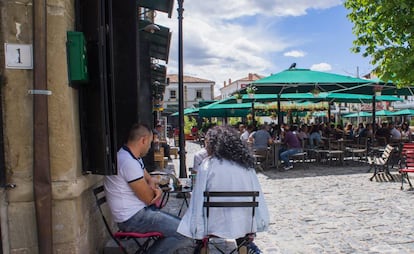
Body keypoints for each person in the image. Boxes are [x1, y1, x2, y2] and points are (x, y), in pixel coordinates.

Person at [177, 126, 269, 254]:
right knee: (240, 219)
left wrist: (196, 227)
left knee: (204, 216)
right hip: (243, 224)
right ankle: (244, 247)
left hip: (213, 224)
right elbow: (257, 195)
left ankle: (201, 247)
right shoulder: (246, 165)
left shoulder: (207, 164)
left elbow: (198, 199)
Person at [104, 124, 194, 254]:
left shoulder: (130, 156)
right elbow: (149, 198)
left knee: (182, 227)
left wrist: (151, 183)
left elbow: (147, 177)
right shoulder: (127, 162)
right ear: (143, 140)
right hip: (133, 219)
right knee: (185, 232)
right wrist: (157, 191)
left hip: (137, 213)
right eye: (150, 143)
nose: (150, 146)